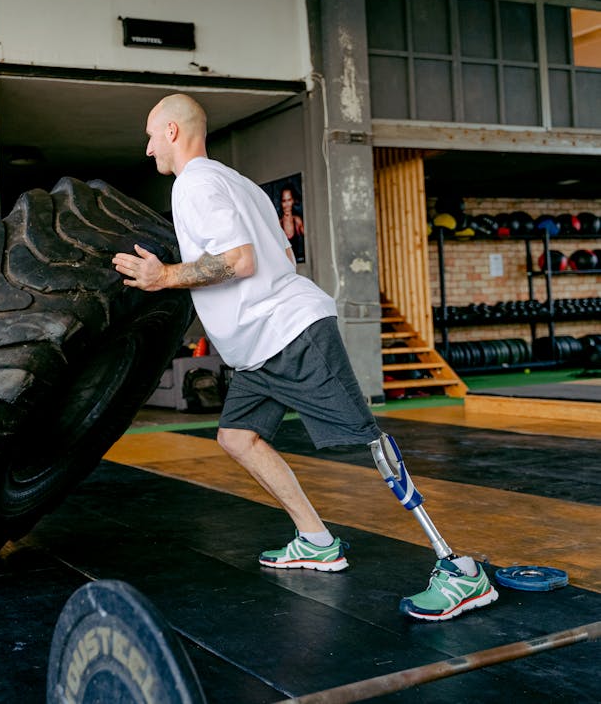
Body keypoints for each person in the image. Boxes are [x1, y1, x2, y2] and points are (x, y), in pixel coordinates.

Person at [112, 94, 497, 621]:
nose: (148, 145)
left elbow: (240, 260)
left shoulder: (194, 184)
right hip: (258, 350)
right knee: (236, 437)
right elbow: (282, 255)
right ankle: (316, 540)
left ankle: (458, 569)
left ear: (174, 132)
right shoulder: (238, 183)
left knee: (365, 439)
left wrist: (166, 277)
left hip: (289, 334)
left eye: (152, 134)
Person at [279, 183, 305, 263]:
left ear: (293, 200)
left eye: (289, 200)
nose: (287, 204)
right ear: (281, 202)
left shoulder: (297, 221)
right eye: (284, 201)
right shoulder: (279, 223)